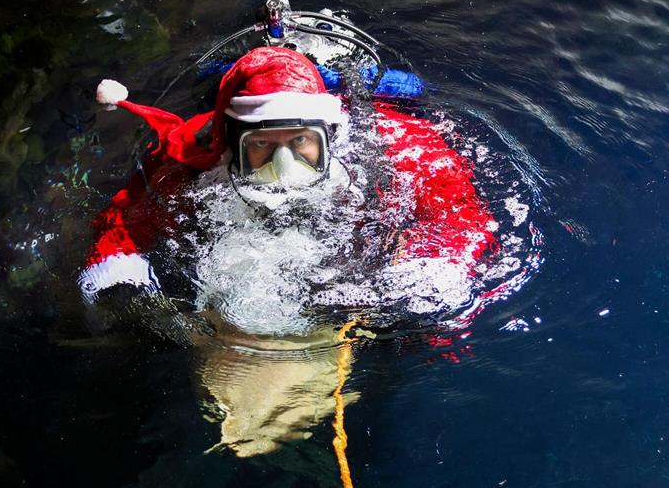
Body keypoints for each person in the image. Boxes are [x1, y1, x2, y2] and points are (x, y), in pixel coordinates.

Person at [78, 46, 497, 314]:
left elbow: (460, 213)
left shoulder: (398, 141)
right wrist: (125, 288)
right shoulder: (192, 160)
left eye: (300, 142)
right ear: (232, 146)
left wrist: (427, 274)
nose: (283, 165)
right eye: (262, 146)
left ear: (330, 137)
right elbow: (121, 222)